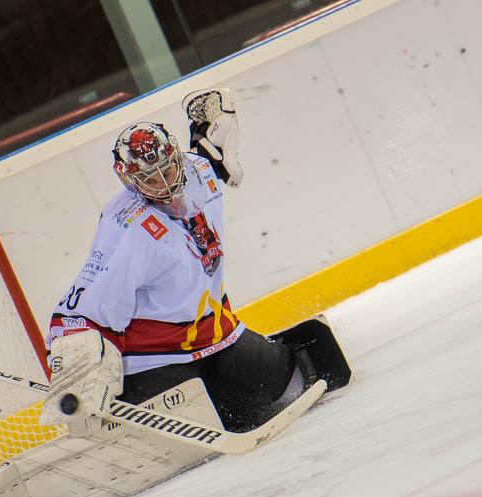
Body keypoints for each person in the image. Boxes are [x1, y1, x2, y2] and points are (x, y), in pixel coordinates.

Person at [38, 87, 348, 434]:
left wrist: (211, 124)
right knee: (198, 422)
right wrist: (77, 373)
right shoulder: (126, 230)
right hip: (155, 357)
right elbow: (83, 309)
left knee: (291, 385)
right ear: (130, 181)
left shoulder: (198, 170)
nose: (164, 183)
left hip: (217, 334)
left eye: (169, 170)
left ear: (177, 158)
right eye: (150, 179)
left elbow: (212, 152)